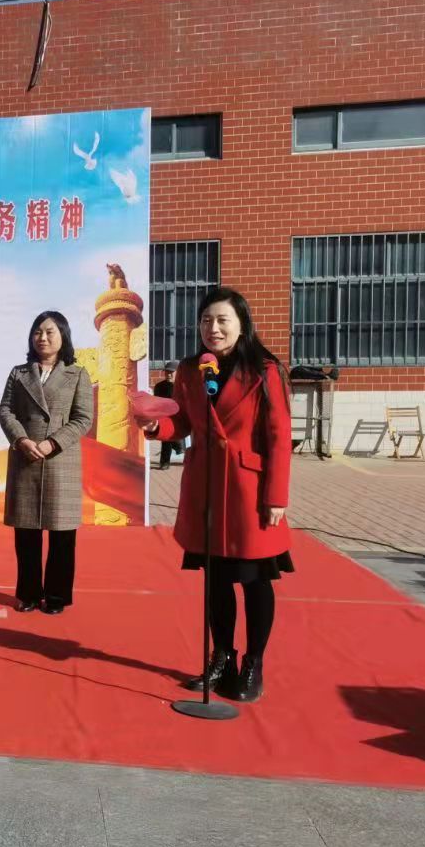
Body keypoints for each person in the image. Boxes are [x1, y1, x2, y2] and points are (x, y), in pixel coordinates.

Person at [139, 287, 292, 704]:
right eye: (206, 320)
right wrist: (157, 428)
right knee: (217, 581)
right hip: (206, 486)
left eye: (223, 320)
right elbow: (183, 423)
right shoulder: (193, 370)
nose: (214, 328)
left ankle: (253, 664)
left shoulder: (264, 370)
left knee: (255, 581)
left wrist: (276, 496)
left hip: (248, 490)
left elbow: (278, 437)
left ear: (242, 324)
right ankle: (222, 657)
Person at [0, 311, 96, 615]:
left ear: (63, 336)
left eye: (50, 332)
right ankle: (28, 593)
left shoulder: (77, 374)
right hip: (25, 457)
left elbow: (83, 418)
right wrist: (21, 440)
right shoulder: (18, 373)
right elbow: (6, 411)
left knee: (62, 535)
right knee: (26, 533)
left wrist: (52, 442)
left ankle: (56, 596)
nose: (42, 338)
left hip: (60, 459)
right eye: (37, 332)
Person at [154, 361, 181, 470]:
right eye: (166, 372)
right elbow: (157, 402)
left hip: (179, 416)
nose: (168, 374)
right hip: (164, 416)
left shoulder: (182, 386)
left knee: (169, 437)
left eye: (171, 372)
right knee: (166, 438)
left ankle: (177, 446)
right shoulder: (159, 387)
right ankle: (165, 462)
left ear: (178, 373)